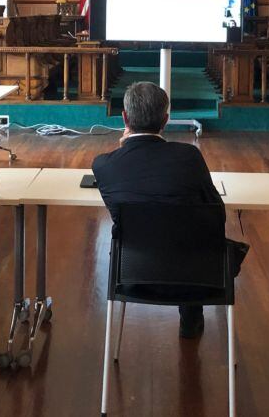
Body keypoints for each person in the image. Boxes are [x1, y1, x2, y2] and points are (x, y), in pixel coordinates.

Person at [92, 82, 248, 339]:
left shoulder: (104, 165)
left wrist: (124, 150)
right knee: (188, 239)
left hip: (132, 273)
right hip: (197, 276)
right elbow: (216, 214)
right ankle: (190, 319)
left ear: (124, 118)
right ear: (166, 120)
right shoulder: (188, 157)